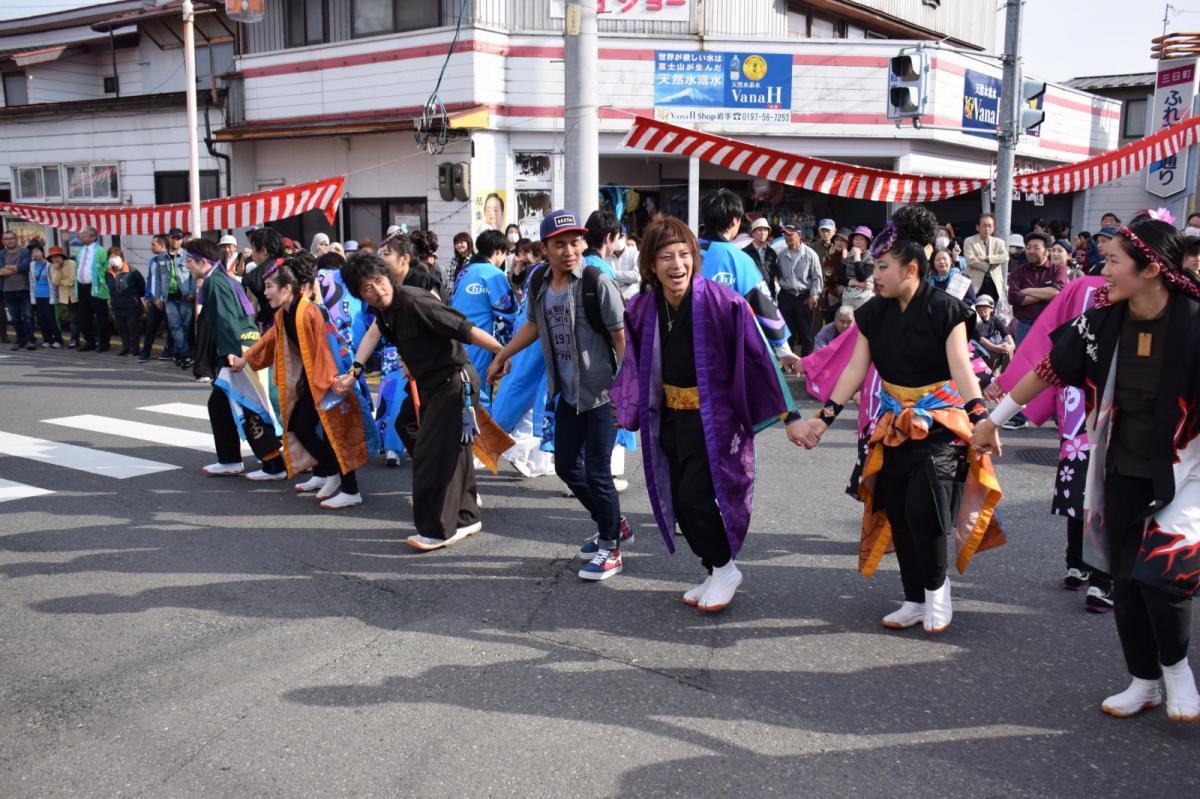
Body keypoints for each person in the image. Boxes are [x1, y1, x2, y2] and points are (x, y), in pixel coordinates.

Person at [973, 219, 1200, 722]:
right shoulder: (1103, 318)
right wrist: (993, 421)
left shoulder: (1195, 321)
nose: (1105, 269)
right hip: (1120, 464)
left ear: (1152, 269)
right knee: (1125, 578)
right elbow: (1050, 367)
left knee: (1164, 574)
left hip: (1189, 470)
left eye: (1116, 260)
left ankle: (1178, 672)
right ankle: (1143, 682)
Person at [794, 205, 1004, 634]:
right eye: (875, 265)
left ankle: (937, 590)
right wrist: (823, 419)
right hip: (892, 424)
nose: (876, 274)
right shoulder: (873, 313)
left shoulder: (946, 310)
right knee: (900, 513)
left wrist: (981, 418)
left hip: (940, 425)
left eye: (883, 266)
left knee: (925, 511)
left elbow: (963, 370)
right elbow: (855, 370)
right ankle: (913, 598)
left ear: (911, 269)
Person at [611, 215, 803, 610]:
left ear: (694, 259)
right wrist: (624, 406)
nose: (676, 264)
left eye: (684, 254)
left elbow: (757, 358)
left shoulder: (722, 302)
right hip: (670, 416)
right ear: (650, 264)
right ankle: (714, 569)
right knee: (679, 503)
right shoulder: (643, 308)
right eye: (666, 256)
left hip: (713, 420)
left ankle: (725, 568)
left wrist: (790, 416)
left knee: (695, 498)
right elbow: (631, 364)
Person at [487, 210, 630, 580]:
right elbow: (533, 326)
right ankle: (613, 522)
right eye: (559, 244)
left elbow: (620, 337)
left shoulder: (597, 282)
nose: (569, 250)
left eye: (574, 242)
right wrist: (502, 355)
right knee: (567, 466)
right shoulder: (539, 283)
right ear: (546, 248)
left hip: (602, 394)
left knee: (598, 472)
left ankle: (611, 546)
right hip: (567, 394)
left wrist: (625, 389)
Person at [341, 253, 505, 550]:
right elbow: (372, 336)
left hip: (455, 384)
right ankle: (467, 517)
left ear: (387, 276)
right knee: (454, 451)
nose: (377, 290)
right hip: (433, 387)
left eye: (378, 281)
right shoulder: (385, 310)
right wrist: (355, 371)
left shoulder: (415, 302)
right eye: (367, 288)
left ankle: (436, 530)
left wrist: (501, 354)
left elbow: (463, 328)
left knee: (433, 457)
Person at [231, 253, 369, 510]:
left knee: (333, 433)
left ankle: (350, 489)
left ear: (287, 288)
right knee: (302, 428)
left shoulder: (310, 312)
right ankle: (326, 473)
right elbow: (270, 339)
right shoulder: (286, 313)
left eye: (270, 287)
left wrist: (333, 383)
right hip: (312, 381)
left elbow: (329, 349)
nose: (266, 292)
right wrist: (246, 358)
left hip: (328, 381)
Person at [185, 237, 287, 481]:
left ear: (201, 262)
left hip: (237, 349)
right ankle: (229, 460)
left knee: (248, 406)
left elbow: (227, 318)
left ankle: (274, 464)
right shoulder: (221, 279)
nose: (187, 265)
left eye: (189, 260)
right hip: (241, 345)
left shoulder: (215, 284)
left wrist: (233, 353)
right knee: (219, 406)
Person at [697, 189, 801, 373]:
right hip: (723, 350)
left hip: (683, 345)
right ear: (734, 221)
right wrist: (783, 349)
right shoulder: (739, 259)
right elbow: (762, 303)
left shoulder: (684, 252)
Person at [451, 229, 516, 403]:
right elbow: (507, 318)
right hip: (481, 343)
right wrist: (505, 354)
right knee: (479, 396)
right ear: (499, 251)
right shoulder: (494, 274)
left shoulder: (463, 272)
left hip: (455, 342)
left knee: (461, 395)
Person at [1007, 231, 1067, 345]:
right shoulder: (1018, 271)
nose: (1031, 251)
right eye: (1028, 247)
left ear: (1048, 251)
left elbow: (1057, 293)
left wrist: (1028, 291)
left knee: (1047, 362)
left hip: (1050, 327)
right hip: (1024, 326)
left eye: (1036, 248)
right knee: (1024, 362)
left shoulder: (1058, 269)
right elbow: (1014, 298)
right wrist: (1045, 296)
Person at [775, 223, 823, 355]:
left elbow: (817, 277)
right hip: (786, 295)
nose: (787, 237)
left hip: (804, 296)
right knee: (787, 331)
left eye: (791, 234)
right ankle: (788, 360)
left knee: (806, 331)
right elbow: (777, 275)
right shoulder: (781, 255)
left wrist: (814, 295)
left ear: (799, 235)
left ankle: (806, 361)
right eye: (785, 235)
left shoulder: (810, 254)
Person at [103, 246, 145, 357]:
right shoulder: (108, 272)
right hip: (117, 304)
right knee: (121, 328)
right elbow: (109, 287)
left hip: (131, 304)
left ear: (121, 257)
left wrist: (135, 298)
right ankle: (125, 347)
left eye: (115, 256)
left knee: (133, 328)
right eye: (110, 257)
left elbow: (141, 286)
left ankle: (134, 349)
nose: (113, 259)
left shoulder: (132, 271)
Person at [161, 228, 194, 368]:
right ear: (168, 238)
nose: (175, 241)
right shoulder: (161, 257)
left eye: (178, 238)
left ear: (182, 240)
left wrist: (192, 292)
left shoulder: (188, 256)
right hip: (169, 297)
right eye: (173, 238)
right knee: (175, 326)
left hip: (185, 296)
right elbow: (157, 277)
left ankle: (177, 352)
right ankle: (185, 354)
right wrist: (157, 296)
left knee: (185, 327)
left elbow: (193, 274)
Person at [1, 231, 35, 350]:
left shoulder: (24, 252)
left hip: (24, 288)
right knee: (15, 317)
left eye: (11, 238)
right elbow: (0, 271)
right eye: (6, 239)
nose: (9, 240)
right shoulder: (1, 254)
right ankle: (21, 339)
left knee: (27, 316)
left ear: (16, 239)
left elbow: (25, 267)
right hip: (8, 290)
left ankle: (30, 340)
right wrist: (16, 268)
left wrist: (8, 267)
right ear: (3, 241)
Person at [964, 213, 1009, 300]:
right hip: (976, 284)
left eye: (989, 226)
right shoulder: (969, 241)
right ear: (977, 227)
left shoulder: (999, 242)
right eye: (984, 226)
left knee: (993, 310)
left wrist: (987, 258)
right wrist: (991, 266)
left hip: (994, 283)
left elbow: (1005, 257)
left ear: (993, 228)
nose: (987, 229)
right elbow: (971, 260)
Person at [28, 243, 61, 348]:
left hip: (48, 295)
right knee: (41, 320)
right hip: (38, 296)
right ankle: (47, 339)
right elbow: (32, 282)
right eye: (33, 252)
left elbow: (53, 283)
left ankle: (58, 340)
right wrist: (33, 298)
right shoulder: (32, 265)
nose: (35, 254)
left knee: (51, 319)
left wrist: (53, 298)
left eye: (37, 251)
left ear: (42, 252)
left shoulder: (49, 265)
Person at [972, 295, 1014, 374]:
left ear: (991, 308)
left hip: (996, 347)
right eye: (979, 307)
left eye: (984, 307)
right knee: (994, 353)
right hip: (984, 350)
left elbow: (1006, 334)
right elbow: (982, 340)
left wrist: (1011, 346)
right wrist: (996, 348)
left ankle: (1006, 374)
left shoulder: (995, 320)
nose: (981, 309)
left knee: (1007, 349)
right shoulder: (976, 323)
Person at [742, 218, 780, 301]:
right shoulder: (745, 253)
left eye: (765, 230)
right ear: (753, 233)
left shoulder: (772, 252)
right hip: (753, 294)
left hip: (770, 293)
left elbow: (775, 273)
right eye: (759, 230)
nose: (763, 233)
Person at [840, 226, 874, 310]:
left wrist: (857, 258)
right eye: (856, 239)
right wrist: (856, 283)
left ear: (867, 242)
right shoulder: (847, 256)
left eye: (861, 239)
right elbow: (840, 279)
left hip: (863, 299)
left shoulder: (870, 257)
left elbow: (862, 277)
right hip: (847, 298)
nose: (858, 242)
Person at [47, 246, 75, 347]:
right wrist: (58, 270)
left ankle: (85, 339)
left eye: (57, 256)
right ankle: (74, 340)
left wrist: (61, 282)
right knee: (73, 318)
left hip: (76, 294)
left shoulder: (71, 263)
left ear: (62, 256)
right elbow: (54, 282)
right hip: (64, 296)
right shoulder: (52, 267)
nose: (56, 259)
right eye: (53, 257)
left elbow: (72, 281)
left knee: (80, 318)